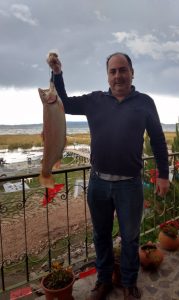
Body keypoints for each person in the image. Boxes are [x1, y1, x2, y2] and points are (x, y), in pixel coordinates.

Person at [47, 52, 169, 300]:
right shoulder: (95, 100)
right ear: (107, 76)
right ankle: (103, 281)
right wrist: (57, 74)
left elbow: (157, 139)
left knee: (130, 238)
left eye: (122, 70)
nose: (118, 76)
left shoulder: (145, 102)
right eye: (113, 71)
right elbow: (65, 104)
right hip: (98, 184)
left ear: (132, 72)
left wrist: (163, 175)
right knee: (101, 235)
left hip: (130, 186)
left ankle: (129, 283)